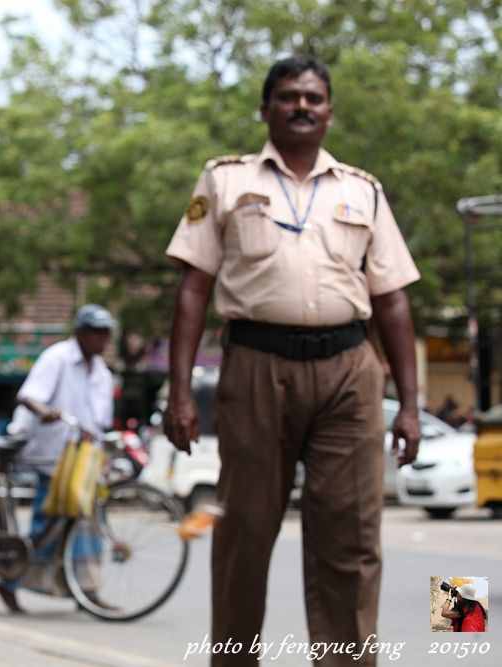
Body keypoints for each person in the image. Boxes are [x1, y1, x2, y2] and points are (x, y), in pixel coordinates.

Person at [163, 56, 422, 666]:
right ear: (266, 109)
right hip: (256, 366)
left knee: (350, 540)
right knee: (243, 535)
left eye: (314, 98)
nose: (302, 106)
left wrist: (411, 405)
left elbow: (392, 299)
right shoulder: (224, 180)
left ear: (330, 110)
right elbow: (193, 289)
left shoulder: (364, 189)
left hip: (350, 372)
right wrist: (177, 393)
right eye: (288, 97)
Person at [0, 304, 116, 613]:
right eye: (97, 333)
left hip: (83, 460)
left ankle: (85, 590)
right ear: (81, 333)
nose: (103, 340)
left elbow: (99, 422)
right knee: (48, 524)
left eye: (106, 333)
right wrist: (45, 411)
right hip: (51, 455)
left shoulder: (101, 372)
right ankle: (9, 581)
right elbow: (29, 396)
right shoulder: (58, 357)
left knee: (86, 522)